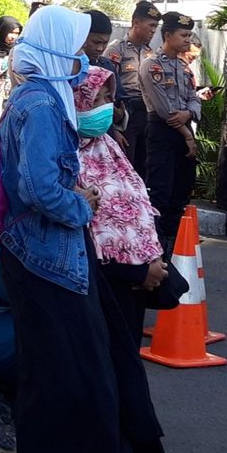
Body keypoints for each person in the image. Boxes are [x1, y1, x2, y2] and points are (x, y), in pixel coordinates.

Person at [0, 5, 147, 453]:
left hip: (48, 258)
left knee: (70, 379)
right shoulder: (40, 104)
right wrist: (82, 204)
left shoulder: (42, 96)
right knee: (57, 382)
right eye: (80, 46)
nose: (88, 57)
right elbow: (38, 188)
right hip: (45, 261)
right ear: (59, 47)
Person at [74, 66, 167, 343]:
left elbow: (139, 203)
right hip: (106, 282)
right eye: (97, 100)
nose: (107, 107)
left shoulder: (109, 146)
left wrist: (155, 257)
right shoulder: (67, 156)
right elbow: (89, 228)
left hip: (141, 276)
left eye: (108, 98)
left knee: (128, 354)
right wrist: (138, 271)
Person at [139, 12, 201, 255]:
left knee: (182, 189)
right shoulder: (151, 65)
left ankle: (175, 245)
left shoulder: (184, 68)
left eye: (189, 35)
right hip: (162, 132)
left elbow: (194, 100)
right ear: (168, 36)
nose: (188, 40)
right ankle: (155, 246)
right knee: (160, 191)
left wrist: (189, 115)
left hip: (183, 130)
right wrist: (187, 133)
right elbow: (166, 111)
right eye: (183, 35)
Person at [105, 1, 161, 174]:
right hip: (127, 112)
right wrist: (114, 127)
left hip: (148, 112)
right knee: (127, 163)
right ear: (136, 23)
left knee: (146, 163)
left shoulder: (151, 53)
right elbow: (108, 88)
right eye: (151, 25)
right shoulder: (116, 50)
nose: (153, 30)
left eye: (156, 26)